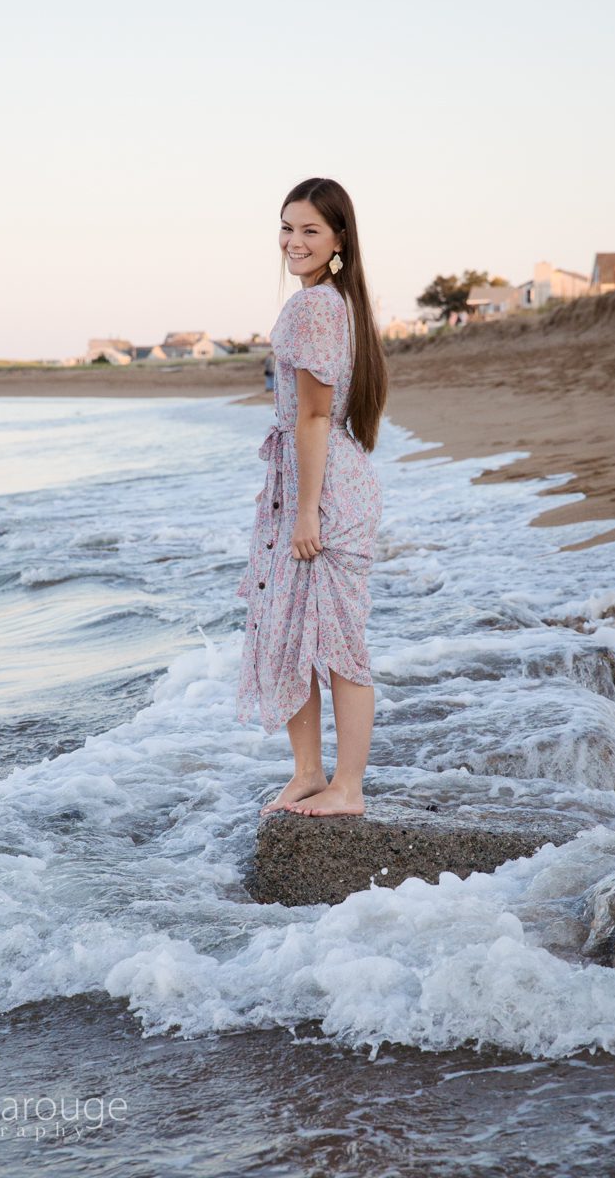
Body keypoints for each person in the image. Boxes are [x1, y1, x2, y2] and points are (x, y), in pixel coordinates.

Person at [235, 177, 389, 817]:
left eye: (310, 231)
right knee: (288, 630)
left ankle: (346, 788)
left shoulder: (316, 308)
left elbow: (316, 414)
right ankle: (306, 772)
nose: (293, 242)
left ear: (338, 241)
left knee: (339, 644)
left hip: (322, 493)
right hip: (319, 483)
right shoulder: (333, 303)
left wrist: (304, 510)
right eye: (287, 227)